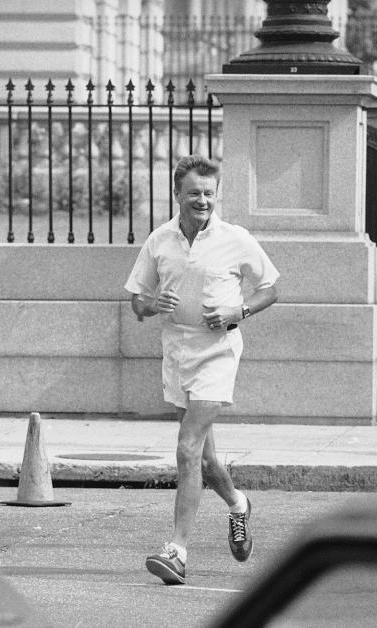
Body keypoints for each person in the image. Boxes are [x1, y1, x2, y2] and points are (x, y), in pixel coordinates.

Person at [125, 155, 279, 585]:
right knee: (207, 462)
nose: (202, 200)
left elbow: (270, 290)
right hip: (177, 353)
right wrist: (152, 305)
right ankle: (237, 504)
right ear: (177, 193)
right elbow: (137, 301)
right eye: (194, 192)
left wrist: (238, 309)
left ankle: (177, 551)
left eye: (209, 193)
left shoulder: (235, 238)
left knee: (187, 449)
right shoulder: (159, 241)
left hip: (218, 353)